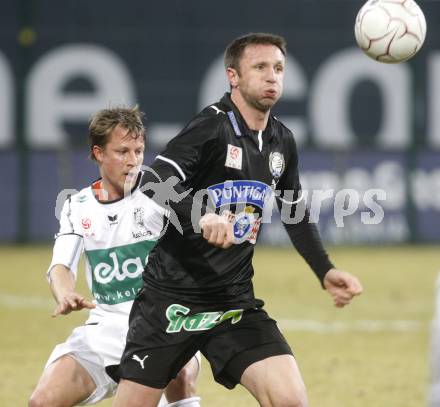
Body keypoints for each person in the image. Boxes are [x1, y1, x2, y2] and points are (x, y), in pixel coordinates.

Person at [112, 33, 363, 407]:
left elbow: (294, 213)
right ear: (233, 76)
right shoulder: (211, 127)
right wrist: (202, 214)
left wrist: (324, 271)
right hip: (171, 302)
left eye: (278, 68)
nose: (272, 77)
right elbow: (151, 180)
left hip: (233, 304)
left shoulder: (282, 140)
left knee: (290, 400)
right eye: (260, 67)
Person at [28, 107, 201, 407]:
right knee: (42, 401)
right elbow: (61, 265)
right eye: (122, 151)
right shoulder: (77, 205)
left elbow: (199, 229)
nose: (133, 160)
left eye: (138, 151)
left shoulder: (159, 194)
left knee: (182, 375)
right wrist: (64, 293)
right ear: (98, 153)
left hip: (166, 323)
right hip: (107, 328)